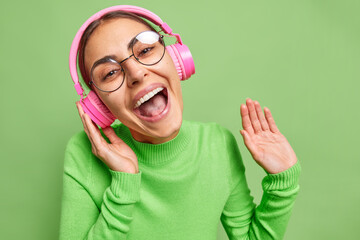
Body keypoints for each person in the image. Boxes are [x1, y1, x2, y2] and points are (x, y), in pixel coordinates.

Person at [59, 5, 301, 240]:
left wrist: (283, 182)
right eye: (110, 73)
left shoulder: (218, 144)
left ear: (176, 59)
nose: (136, 73)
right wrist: (124, 184)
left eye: (144, 51)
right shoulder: (85, 153)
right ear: (99, 105)